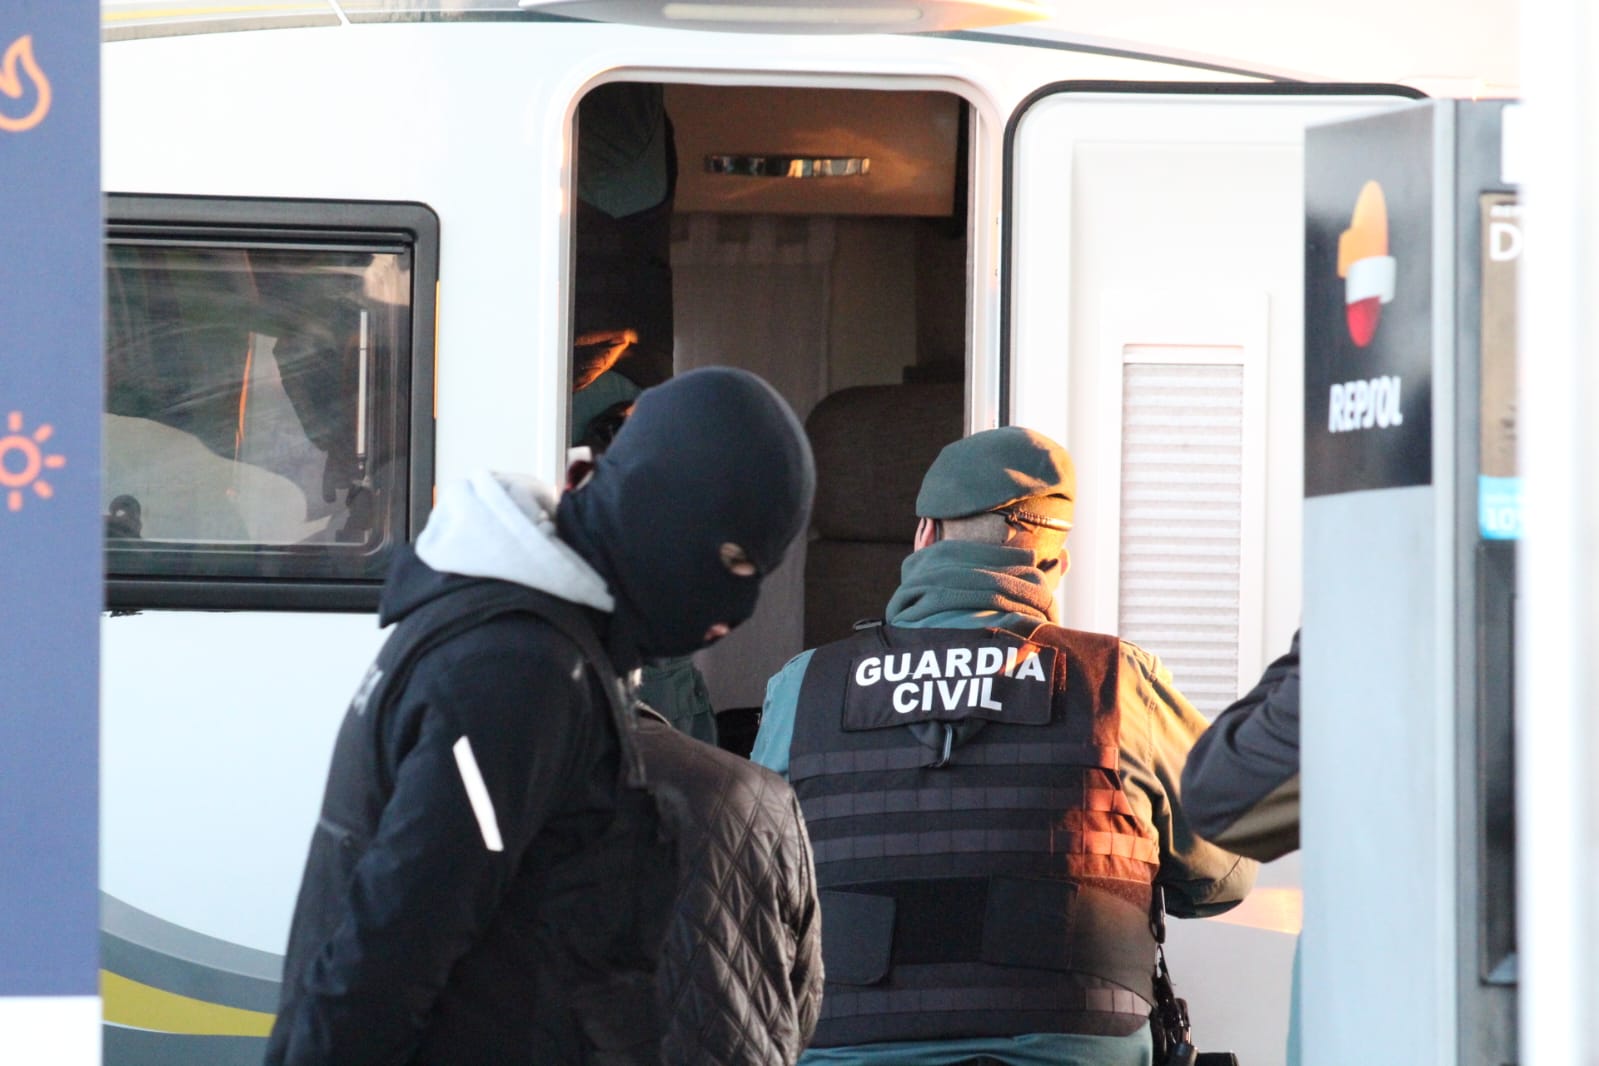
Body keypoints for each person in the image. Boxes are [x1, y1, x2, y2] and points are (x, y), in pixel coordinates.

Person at [265, 366, 817, 1066]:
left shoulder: (530, 639)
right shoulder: (518, 672)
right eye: (734, 561)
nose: (734, 614)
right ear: (662, 510)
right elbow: (394, 942)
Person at [751, 425, 1258, 1066]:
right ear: (1057, 561)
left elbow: (752, 883)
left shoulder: (807, 687)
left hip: (849, 1047)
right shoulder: (1117, 682)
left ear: (926, 535)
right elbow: (1226, 875)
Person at [1181, 629, 1302, 1066]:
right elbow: (1218, 879)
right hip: (1085, 1028)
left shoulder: (1366, 604)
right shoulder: (1113, 674)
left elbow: (1222, 793)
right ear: (1056, 565)